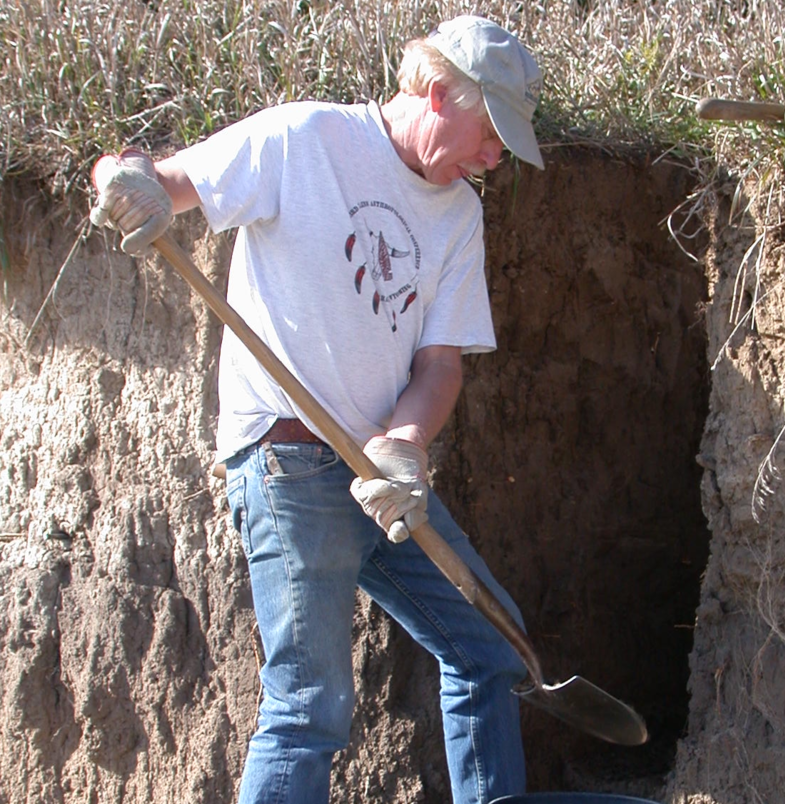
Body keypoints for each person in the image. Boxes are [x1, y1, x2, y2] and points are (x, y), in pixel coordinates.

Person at [89, 15, 545, 804]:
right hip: (290, 466)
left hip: (380, 480)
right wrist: (122, 181)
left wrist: (404, 445)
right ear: (437, 93)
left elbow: (438, 366)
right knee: (309, 707)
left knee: (489, 648)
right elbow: (156, 181)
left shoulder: (459, 214)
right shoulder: (303, 139)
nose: (496, 153)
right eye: (491, 130)